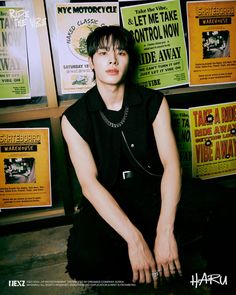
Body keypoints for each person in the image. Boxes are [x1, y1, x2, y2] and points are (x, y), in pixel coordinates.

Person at [61, 25, 182, 287]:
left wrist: (165, 231)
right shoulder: (74, 118)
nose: (113, 59)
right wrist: (135, 240)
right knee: (85, 259)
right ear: (91, 61)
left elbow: (172, 166)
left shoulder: (154, 102)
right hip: (109, 201)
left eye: (121, 52)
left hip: (154, 193)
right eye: (103, 53)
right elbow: (89, 184)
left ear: (129, 59)